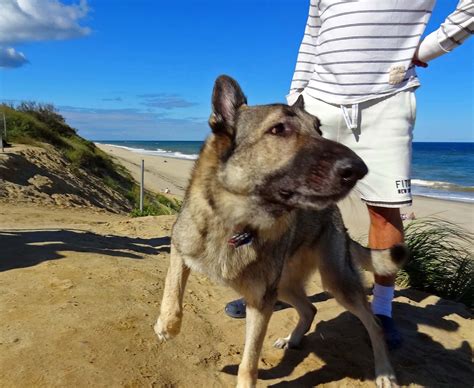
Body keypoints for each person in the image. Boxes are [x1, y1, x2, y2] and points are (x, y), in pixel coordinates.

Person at [225, 0, 473, 349]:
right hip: (316, 104)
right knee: (288, 203)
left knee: (384, 210)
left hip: (387, 99)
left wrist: (431, 47)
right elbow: (313, 33)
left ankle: (383, 308)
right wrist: (296, 96)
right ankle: (278, 286)